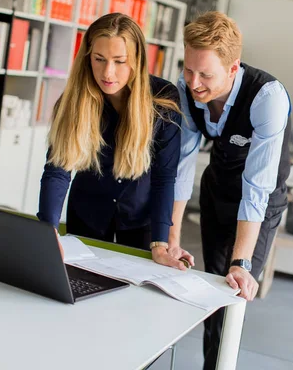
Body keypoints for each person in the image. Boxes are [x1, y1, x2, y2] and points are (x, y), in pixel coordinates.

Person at [169, 11, 292, 369]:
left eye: (205, 74)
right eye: (188, 70)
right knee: (212, 287)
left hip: (261, 201)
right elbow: (182, 164)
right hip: (217, 189)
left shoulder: (268, 97)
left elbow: (257, 187)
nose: (193, 83)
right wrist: (172, 236)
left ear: (233, 67)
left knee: (233, 287)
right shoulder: (186, 87)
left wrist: (242, 262)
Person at [37, 13, 194, 270]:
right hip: (87, 215)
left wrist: (160, 241)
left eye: (120, 61)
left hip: (141, 220)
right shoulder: (74, 101)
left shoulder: (163, 99)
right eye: (99, 59)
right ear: (87, 57)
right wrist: (47, 229)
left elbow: (164, 177)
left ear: (137, 60)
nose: (108, 73)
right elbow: (58, 169)